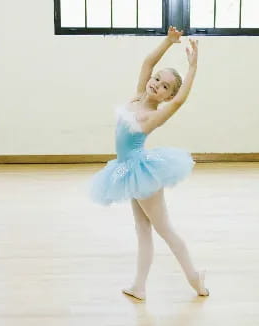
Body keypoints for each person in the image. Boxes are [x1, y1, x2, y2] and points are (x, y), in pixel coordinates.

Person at [89, 26, 208, 300]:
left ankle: (194, 278)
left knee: (164, 229)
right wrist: (168, 41)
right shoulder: (136, 96)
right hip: (128, 171)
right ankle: (139, 286)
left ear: (166, 96)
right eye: (157, 79)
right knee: (143, 229)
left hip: (140, 172)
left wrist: (193, 67)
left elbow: (179, 102)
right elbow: (147, 62)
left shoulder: (150, 116)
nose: (157, 85)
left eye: (164, 86)